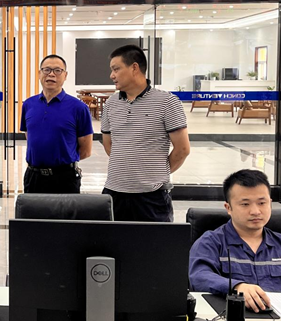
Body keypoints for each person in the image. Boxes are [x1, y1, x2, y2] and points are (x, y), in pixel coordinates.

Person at [101, 44, 190, 222]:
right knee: (113, 239)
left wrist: (153, 175)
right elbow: (109, 145)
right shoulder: (111, 103)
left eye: (116, 69)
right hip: (114, 193)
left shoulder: (167, 102)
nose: (112, 75)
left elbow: (182, 149)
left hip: (152, 197)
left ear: (134, 68)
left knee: (154, 240)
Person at [189, 169, 281, 313]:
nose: (255, 211)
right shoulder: (210, 242)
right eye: (245, 204)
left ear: (270, 203)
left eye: (262, 203)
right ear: (228, 208)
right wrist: (237, 287)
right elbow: (199, 277)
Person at [20, 54, 93, 193]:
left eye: (57, 70)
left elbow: (86, 150)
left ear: (65, 75)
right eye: (46, 70)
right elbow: (30, 137)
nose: (51, 74)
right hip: (33, 177)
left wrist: (61, 161)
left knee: (66, 209)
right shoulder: (28, 104)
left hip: (65, 178)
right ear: (39, 73)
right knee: (31, 208)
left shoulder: (79, 108)